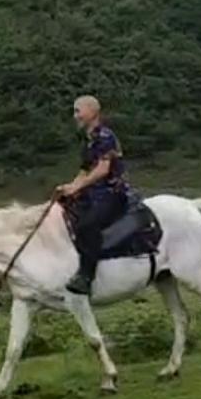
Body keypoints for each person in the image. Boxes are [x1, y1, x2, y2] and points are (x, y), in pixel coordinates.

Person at [54, 94, 133, 295]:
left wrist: (77, 188)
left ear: (92, 111)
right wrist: (70, 187)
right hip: (93, 194)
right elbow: (84, 171)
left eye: (77, 110)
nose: (75, 116)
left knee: (86, 225)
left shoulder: (105, 137)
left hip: (112, 194)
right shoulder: (88, 141)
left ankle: (86, 277)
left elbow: (102, 170)